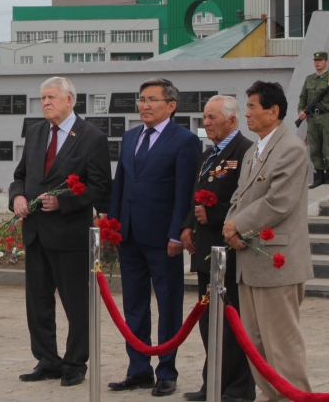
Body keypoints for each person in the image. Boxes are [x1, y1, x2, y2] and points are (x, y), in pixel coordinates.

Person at [9, 77, 112, 387]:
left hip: (69, 234)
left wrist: (63, 200)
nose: (45, 102)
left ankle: (75, 363)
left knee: (76, 304)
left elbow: (101, 187)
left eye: (51, 97)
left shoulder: (91, 137)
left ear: (70, 100)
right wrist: (17, 196)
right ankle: (47, 360)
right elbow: (21, 175)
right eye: (42, 98)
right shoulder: (37, 132)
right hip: (36, 232)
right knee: (38, 302)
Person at [108, 78, 201, 397]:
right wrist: (114, 224)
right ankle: (138, 370)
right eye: (141, 99)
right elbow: (120, 183)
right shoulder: (131, 136)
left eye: (151, 99)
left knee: (168, 304)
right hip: (129, 235)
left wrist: (177, 232)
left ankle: (167, 372)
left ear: (171, 105)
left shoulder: (184, 141)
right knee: (134, 304)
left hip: (164, 239)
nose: (143, 105)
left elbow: (184, 192)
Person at [224, 81, 314, 402]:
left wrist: (238, 226)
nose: (246, 113)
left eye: (251, 107)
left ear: (273, 111)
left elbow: (278, 202)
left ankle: (295, 397)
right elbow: (240, 197)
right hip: (249, 260)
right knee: (257, 346)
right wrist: (230, 228)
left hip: (278, 263)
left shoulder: (291, 149)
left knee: (282, 345)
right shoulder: (253, 150)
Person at [179, 96, 255, 402]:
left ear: (231, 120)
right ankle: (213, 383)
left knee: (231, 321)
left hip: (229, 250)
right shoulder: (209, 153)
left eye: (212, 117)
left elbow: (247, 203)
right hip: (205, 249)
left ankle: (238, 387)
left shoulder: (246, 151)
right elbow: (195, 194)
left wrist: (217, 215)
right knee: (210, 322)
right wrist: (187, 225)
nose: (206, 123)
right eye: (204, 117)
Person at [297, 51, 329, 189]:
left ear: (326, 62)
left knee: (327, 147)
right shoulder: (309, 79)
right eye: (316, 60)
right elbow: (303, 98)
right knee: (315, 148)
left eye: (321, 60)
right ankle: (319, 176)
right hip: (312, 118)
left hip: (327, 117)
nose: (317, 63)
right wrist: (301, 111)